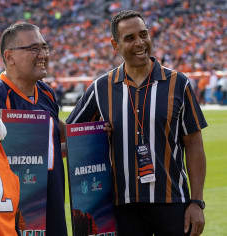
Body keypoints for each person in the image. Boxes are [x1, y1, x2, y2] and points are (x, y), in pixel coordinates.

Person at [66, 10, 207, 236]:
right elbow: (70, 137)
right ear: (115, 44)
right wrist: (95, 137)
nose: (140, 42)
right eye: (130, 38)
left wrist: (197, 202)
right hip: (123, 208)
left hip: (172, 204)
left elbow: (194, 143)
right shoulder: (101, 88)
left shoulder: (178, 83)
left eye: (143, 35)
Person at [0, 22, 68, 236]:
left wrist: (92, 136)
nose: (43, 54)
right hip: (9, 218)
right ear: (10, 56)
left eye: (44, 47)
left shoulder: (47, 93)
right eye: (34, 49)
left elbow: (59, 140)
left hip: (52, 211)